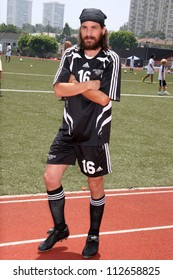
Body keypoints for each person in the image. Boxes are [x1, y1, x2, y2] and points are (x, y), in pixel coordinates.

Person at [38, 8, 121, 259]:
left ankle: (93, 234)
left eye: (94, 28)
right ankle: (61, 228)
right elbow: (57, 89)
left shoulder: (111, 59)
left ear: (103, 31)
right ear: (80, 30)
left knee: (94, 184)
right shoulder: (70, 54)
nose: (88, 33)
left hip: (94, 132)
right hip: (68, 129)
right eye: (85, 27)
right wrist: (86, 85)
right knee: (51, 177)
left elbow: (104, 97)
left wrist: (73, 86)